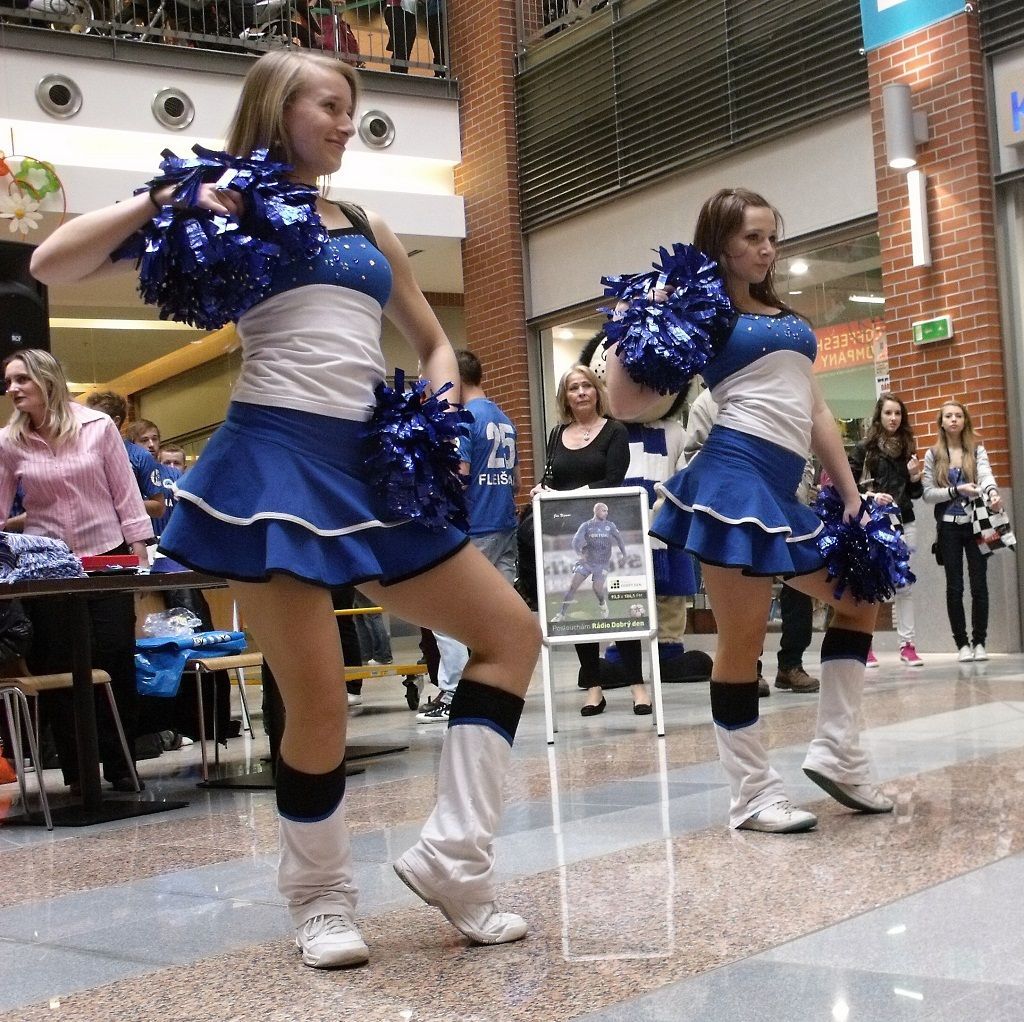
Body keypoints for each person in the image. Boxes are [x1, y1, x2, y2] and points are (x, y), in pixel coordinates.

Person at [30, 50, 540, 970]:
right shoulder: (226, 204)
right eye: (333, 105)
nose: (348, 123)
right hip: (270, 468)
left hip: (375, 469)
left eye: (355, 109)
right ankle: (318, 900)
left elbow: (432, 342)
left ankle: (456, 858)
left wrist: (438, 412)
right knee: (316, 707)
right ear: (278, 107)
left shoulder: (367, 222)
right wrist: (174, 194)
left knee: (511, 635)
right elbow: (51, 261)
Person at [605, 187, 894, 833]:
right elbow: (624, 402)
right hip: (730, 486)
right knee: (743, 640)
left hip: (780, 492)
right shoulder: (701, 315)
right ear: (721, 245)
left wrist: (848, 491)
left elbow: (816, 408)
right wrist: (636, 320)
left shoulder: (783, 314)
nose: (765, 249)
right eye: (750, 239)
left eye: (771, 237)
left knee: (860, 595)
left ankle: (839, 752)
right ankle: (752, 795)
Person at [0, 350, 152, 792]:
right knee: (60, 666)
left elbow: (126, 495)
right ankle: (79, 771)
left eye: (21, 380)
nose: (12, 389)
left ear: (46, 380)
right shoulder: (9, 441)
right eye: (8, 382)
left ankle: (122, 763)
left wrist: (140, 557)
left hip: (106, 558)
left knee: (114, 659)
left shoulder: (97, 427)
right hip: (48, 567)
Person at [683, 386, 820, 697]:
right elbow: (693, 455)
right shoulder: (707, 402)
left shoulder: (779, 392)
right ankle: (749, 668)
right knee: (742, 598)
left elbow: (804, 450)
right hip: (736, 516)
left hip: (786, 509)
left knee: (799, 588)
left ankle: (791, 664)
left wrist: (797, 494)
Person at [531, 364, 651, 715]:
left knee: (619, 610)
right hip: (571, 535)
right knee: (581, 612)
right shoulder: (557, 435)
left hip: (610, 531)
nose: (581, 392)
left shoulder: (614, 431)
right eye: (573, 388)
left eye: (586, 386)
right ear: (565, 397)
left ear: (597, 391)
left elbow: (614, 479)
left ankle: (637, 686)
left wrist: (578, 494)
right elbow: (552, 476)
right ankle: (594, 687)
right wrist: (544, 490)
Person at [419, 349, 519, 723]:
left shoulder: (462, 420)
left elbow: (458, 475)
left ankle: (454, 691)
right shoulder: (504, 418)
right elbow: (518, 480)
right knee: (498, 613)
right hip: (503, 522)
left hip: (472, 525)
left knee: (442, 611)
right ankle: (498, 686)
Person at [922, 400, 1002, 663]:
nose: (954, 419)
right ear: (941, 422)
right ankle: (962, 645)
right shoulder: (933, 455)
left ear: (965, 420)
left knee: (979, 585)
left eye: (958, 415)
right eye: (949, 416)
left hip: (978, 524)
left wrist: (991, 492)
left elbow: (986, 474)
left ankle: (980, 642)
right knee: (954, 586)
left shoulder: (976, 449)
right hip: (948, 528)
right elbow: (928, 494)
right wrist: (956, 490)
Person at [850, 393, 924, 667]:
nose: (893, 418)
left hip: (905, 520)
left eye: (898, 414)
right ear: (879, 416)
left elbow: (915, 493)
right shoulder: (865, 448)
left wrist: (915, 476)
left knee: (904, 584)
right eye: (888, 413)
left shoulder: (907, 448)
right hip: (876, 522)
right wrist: (872, 497)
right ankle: (865, 645)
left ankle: (908, 645)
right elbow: (848, 484)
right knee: (873, 583)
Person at [84, 392, 165, 521]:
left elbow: (158, 507)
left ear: (115, 421)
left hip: (130, 532)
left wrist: (118, 505)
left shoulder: (140, 456)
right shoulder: (83, 453)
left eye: (94, 419)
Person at [552, 502, 626, 621]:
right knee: (573, 587)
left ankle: (602, 604)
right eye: (603, 510)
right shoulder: (586, 525)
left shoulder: (610, 526)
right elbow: (575, 542)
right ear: (596, 511)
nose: (606, 513)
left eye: (607, 511)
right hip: (587, 562)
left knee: (597, 589)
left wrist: (625, 555)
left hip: (602, 564)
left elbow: (620, 540)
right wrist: (579, 554)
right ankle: (561, 614)